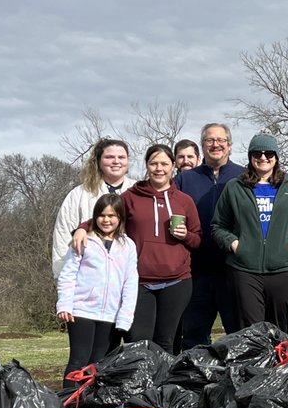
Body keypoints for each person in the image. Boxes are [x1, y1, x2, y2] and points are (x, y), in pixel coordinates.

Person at [72, 144, 202, 353]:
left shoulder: (184, 201)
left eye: (164, 164)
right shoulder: (131, 197)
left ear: (172, 167)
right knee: (138, 342)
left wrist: (185, 235)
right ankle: (139, 385)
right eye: (153, 163)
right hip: (139, 282)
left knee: (166, 342)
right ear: (146, 166)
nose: (159, 168)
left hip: (176, 281)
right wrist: (81, 228)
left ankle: (163, 386)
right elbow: (105, 215)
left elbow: (197, 240)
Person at [213, 133, 288, 333]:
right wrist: (235, 244)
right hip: (244, 270)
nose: (263, 158)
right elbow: (218, 225)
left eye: (268, 153)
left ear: (276, 157)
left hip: (282, 270)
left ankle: (279, 365)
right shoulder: (235, 187)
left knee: (279, 331)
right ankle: (255, 365)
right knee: (252, 332)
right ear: (250, 157)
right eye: (257, 154)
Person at [174, 123, 246, 348]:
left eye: (221, 140)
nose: (216, 145)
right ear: (202, 146)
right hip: (196, 272)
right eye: (210, 140)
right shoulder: (185, 180)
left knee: (239, 336)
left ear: (229, 146)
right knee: (194, 338)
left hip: (233, 271)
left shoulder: (244, 176)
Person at [56, 193, 138, 374]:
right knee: (78, 361)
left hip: (110, 315)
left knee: (99, 365)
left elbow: (130, 282)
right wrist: (65, 305)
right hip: (81, 311)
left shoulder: (128, 246)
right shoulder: (84, 240)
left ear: (120, 218)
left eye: (112, 216)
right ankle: (68, 401)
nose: (106, 220)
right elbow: (68, 274)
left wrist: (125, 317)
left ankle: (90, 402)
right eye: (102, 215)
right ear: (95, 217)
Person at [52, 138, 130, 277]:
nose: (116, 161)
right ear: (99, 161)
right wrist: (63, 275)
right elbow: (62, 234)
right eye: (109, 157)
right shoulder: (79, 194)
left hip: (125, 275)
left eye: (121, 157)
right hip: (87, 277)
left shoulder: (137, 191)